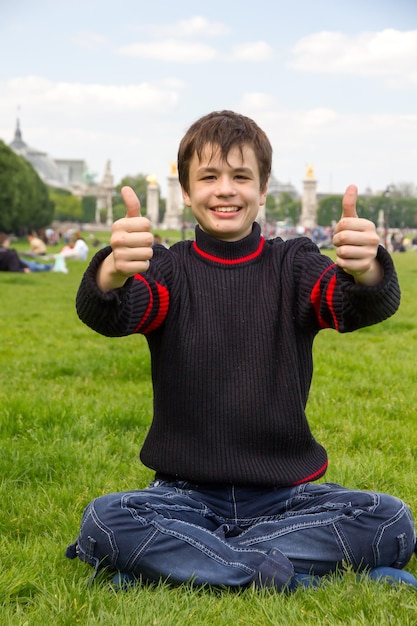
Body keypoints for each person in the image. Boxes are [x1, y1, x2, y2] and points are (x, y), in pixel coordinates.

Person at [66, 110, 417, 592]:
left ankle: (190, 562)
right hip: (183, 494)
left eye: (241, 177)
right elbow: (115, 312)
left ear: (263, 188)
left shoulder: (294, 265)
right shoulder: (168, 270)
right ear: (186, 192)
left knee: (390, 518)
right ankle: (285, 573)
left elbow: (351, 302)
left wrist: (369, 268)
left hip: (284, 497)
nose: (225, 189)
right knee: (105, 519)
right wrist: (110, 272)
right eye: (208, 177)